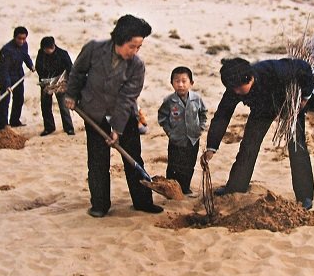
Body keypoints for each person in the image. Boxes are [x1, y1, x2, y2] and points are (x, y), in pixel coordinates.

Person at [64, 14, 163, 217]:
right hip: (95, 113)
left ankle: (142, 202)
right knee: (98, 160)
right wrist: (72, 95)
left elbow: (127, 98)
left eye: (139, 47)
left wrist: (117, 129)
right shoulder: (93, 49)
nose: (135, 51)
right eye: (132, 46)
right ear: (120, 39)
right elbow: (77, 72)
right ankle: (100, 205)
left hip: (124, 116)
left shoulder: (137, 65)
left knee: (133, 158)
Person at [200, 57, 314, 210]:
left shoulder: (274, 69)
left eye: (240, 89)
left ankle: (305, 196)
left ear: (250, 78)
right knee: (248, 146)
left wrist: (305, 98)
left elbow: (304, 68)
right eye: (233, 89)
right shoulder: (234, 85)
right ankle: (236, 187)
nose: (236, 92)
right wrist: (212, 147)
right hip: (262, 110)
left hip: (289, 104)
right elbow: (222, 115)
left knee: (297, 146)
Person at [158, 66, 208, 195]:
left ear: (191, 83)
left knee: (189, 165)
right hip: (176, 139)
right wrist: (169, 132)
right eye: (177, 81)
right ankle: (170, 188)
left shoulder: (196, 99)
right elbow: (162, 117)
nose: (180, 85)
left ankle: (185, 188)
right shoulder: (169, 101)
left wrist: (200, 128)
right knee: (174, 165)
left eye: (184, 81)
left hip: (193, 138)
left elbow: (203, 113)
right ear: (172, 83)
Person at [0, 26, 34, 131]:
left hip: (18, 74)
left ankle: (15, 121)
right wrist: (7, 85)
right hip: (6, 75)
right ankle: (2, 125)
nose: (22, 41)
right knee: (5, 100)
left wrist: (30, 65)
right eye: (19, 38)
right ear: (14, 37)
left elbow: (25, 56)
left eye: (24, 38)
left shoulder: (24, 45)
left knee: (19, 99)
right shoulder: (6, 50)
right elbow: (4, 69)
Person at [35, 36, 74, 136]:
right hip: (47, 83)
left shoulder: (62, 53)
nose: (48, 51)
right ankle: (49, 127)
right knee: (45, 105)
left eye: (50, 49)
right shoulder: (41, 54)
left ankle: (69, 128)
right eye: (46, 49)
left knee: (63, 105)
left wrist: (65, 83)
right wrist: (46, 81)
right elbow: (38, 67)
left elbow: (70, 69)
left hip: (60, 82)